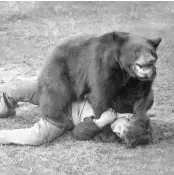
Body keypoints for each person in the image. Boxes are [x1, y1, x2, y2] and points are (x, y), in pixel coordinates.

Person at [0, 80, 152, 147]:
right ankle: (5, 108)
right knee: (14, 88)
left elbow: (77, 134)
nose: (117, 131)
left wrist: (100, 122)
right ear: (130, 117)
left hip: (62, 118)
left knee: (37, 137)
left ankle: (3, 136)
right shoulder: (122, 102)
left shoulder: (108, 133)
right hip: (58, 94)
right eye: (122, 128)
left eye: (120, 135)